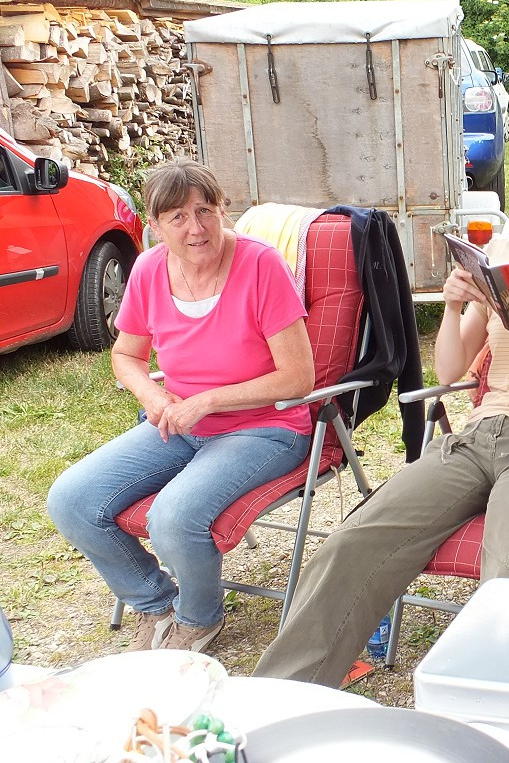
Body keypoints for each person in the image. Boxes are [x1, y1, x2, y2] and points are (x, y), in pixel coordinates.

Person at [254, 143, 509, 686]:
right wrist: (453, 306)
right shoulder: (506, 279)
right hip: (478, 438)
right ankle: (282, 697)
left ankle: (499, 720)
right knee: (351, 541)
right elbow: (448, 373)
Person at [47, 160, 315, 654]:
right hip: (179, 422)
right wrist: (153, 395)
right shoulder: (149, 269)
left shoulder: (260, 265)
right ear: (155, 225)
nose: (196, 228)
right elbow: (126, 355)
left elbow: (299, 377)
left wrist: (208, 400)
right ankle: (154, 603)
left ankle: (198, 619)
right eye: (177, 217)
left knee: (172, 516)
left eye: (205, 211)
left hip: (265, 427)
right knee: (71, 499)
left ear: (221, 210)